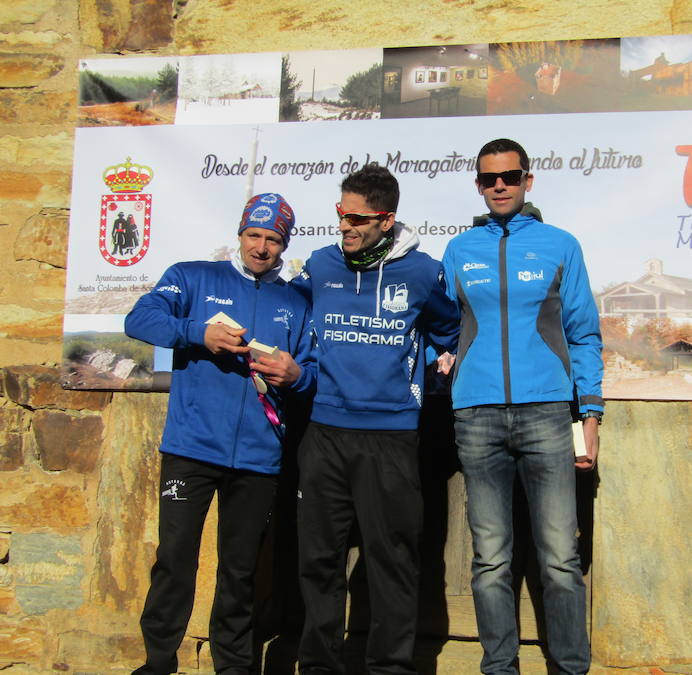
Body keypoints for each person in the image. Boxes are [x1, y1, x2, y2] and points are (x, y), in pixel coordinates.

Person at [125, 193, 316, 675]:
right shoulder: (193, 276)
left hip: (259, 458)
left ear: (286, 243)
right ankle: (158, 662)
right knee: (174, 560)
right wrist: (198, 333)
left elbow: (313, 370)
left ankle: (234, 666)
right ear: (239, 233)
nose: (262, 247)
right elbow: (138, 319)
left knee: (242, 570)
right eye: (254, 235)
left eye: (274, 239)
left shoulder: (297, 299)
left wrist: (296, 376)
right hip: (191, 449)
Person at [440, 138, 603, 675]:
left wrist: (590, 414)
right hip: (476, 416)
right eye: (489, 179)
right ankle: (499, 669)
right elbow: (442, 326)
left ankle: (570, 668)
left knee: (559, 559)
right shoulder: (461, 249)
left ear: (528, 179)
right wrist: (444, 359)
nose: (500, 186)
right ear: (478, 185)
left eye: (510, 176)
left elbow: (583, 334)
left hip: (547, 415)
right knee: (490, 561)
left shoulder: (560, 244)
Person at [291, 164, 459, 674]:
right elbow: (292, 317)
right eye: (341, 213)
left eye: (357, 218)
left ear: (386, 219)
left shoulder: (423, 272)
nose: (344, 225)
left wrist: (440, 361)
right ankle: (318, 666)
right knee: (319, 561)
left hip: (391, 436)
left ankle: (390, 668)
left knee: (392, 563)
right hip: (323, 432)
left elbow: (448, 327)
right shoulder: (319, 265)